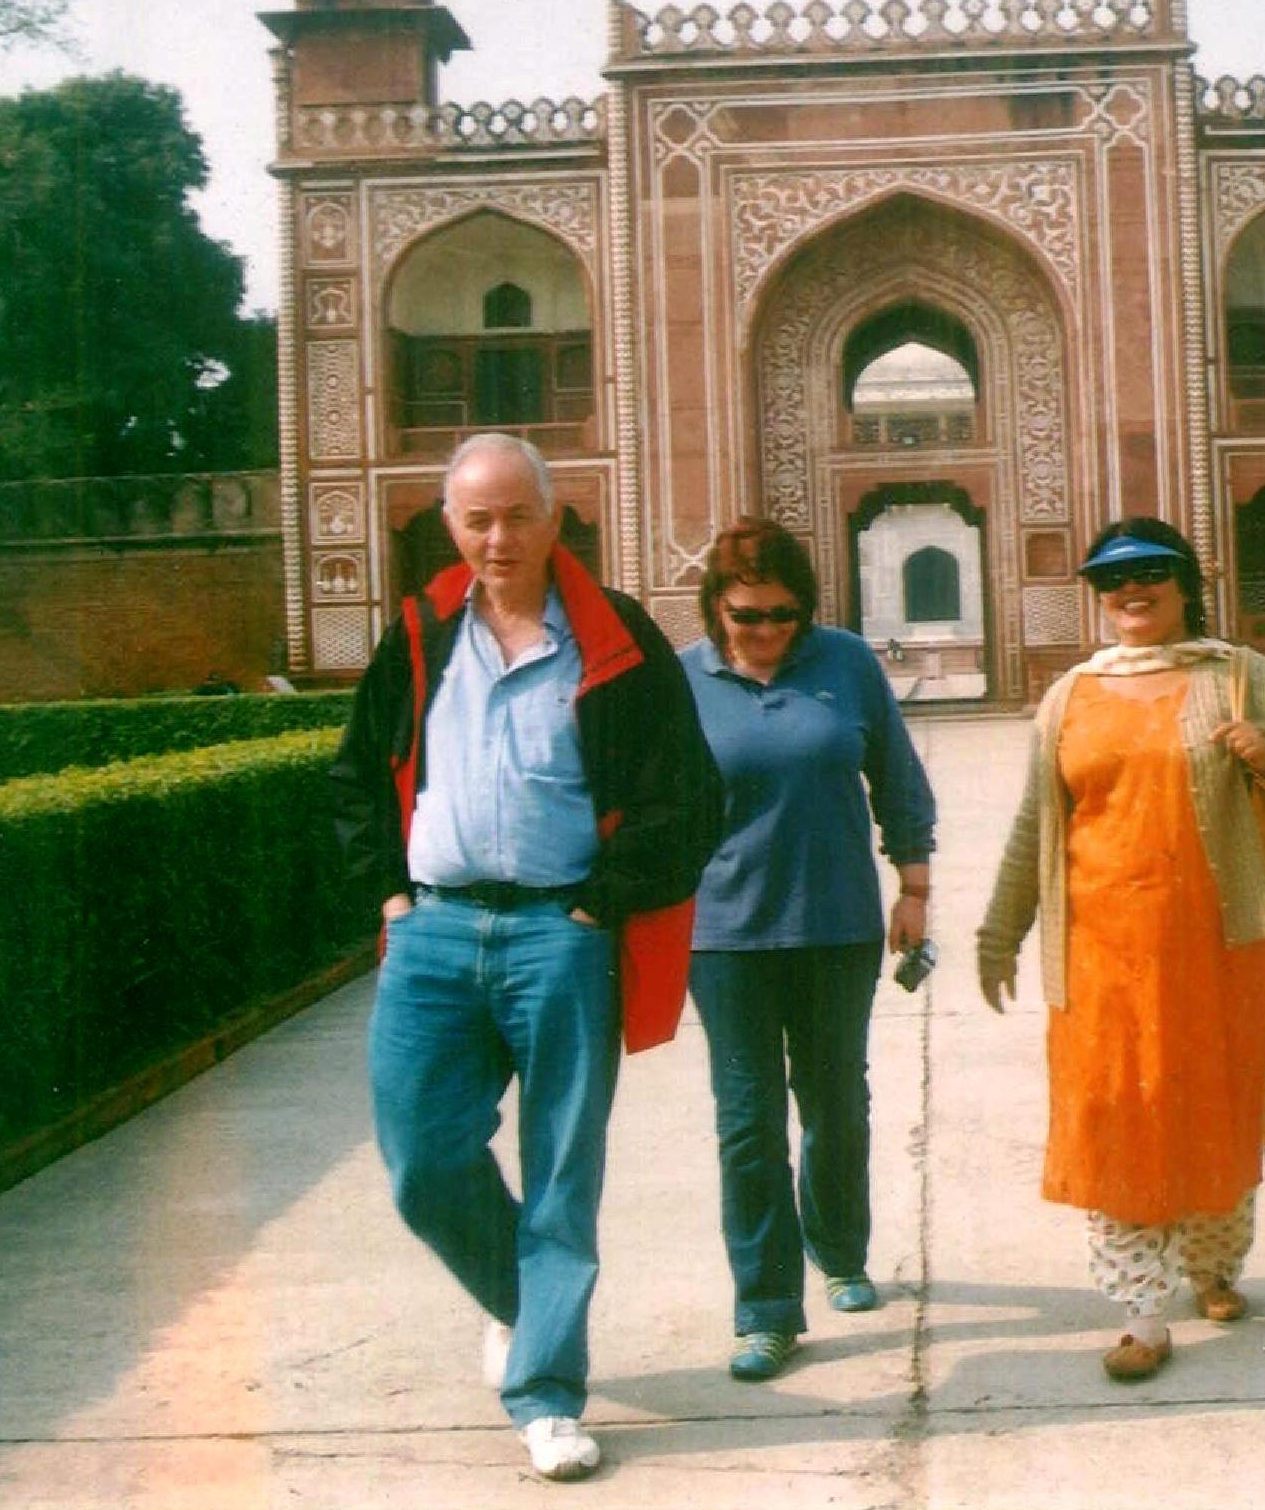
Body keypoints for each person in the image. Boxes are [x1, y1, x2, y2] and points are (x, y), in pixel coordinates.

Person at [330, 433, 723, 1483]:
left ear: (557, 520)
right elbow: (357, 775)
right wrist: (391, 894)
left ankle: (547, 1392)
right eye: (476, 520)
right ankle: (520, 1300)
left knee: (560, 1173)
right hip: (436, 933)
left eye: (516, 516)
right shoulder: (420, 632)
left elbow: (688, 793)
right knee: (421, 1159)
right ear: (449, 527)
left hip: (560, 934)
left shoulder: (614, 635)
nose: (497, 538)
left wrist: (601, 905)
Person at [976, 516, 1265, 1383]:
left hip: (1226, 945)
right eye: (1111, 580)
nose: (1129, 590)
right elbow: (1037, 823)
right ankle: (1141, 1314)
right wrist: (1001, 933)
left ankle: (1214, 1267)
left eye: (1150, 572)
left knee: (1213, 1114)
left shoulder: (1237, 676)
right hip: (1102, 956)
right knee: (1120, 1119)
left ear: (1185, 582)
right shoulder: (1069, 695)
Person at [678, 516, 937, 1382]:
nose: (765, 632)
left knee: (835, 1103)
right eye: (747, 615)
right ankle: (765, 1309)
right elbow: (646, 808)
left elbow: (897, 777)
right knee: (747, 1124)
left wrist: (915, 888)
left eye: (784, 615)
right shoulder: (682, 682)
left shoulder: (845, 663)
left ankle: (840, 1252)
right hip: (725, 938)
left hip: (835, 926)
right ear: (716, 607)